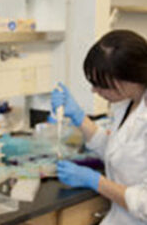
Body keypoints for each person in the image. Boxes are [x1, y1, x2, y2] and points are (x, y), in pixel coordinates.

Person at [52, 29, 147, 225]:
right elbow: (119, 151)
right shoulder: (130, 102)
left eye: (101, 84)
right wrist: (79, 118)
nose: (94, 90)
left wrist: (96, 182)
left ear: (130, 77)